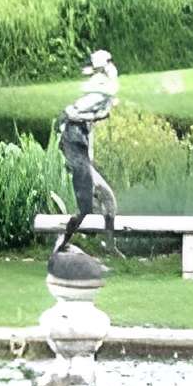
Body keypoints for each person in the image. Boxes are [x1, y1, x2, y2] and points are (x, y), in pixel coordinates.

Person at [52, 49, 120, 254]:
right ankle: (63, 245)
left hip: (77, 147)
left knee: (102, 202)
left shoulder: (98, 95)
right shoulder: (95, 94)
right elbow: (70, 116)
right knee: (98, 202)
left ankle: (107, 246)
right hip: (74, 145)